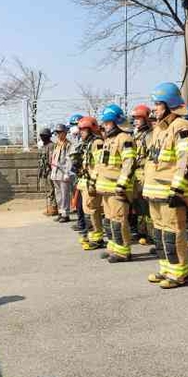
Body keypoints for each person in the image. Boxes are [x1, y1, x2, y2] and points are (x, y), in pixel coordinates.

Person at [142, 83, 188, 289]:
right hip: (155, 192)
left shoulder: (182, 127)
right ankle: (165, 269)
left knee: (173, 233)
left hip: (170, 192)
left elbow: (186, 160)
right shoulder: (158, 129)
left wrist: (177, 189)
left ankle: (178, 273)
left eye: (158, 104)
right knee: (159, 234)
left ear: (168, 104)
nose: (154, 108)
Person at [96, 104, 136, 262]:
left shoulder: (124, 139)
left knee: (119, 221)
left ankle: (123, 251)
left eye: (108, 122)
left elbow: (129, 163)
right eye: (105, 123)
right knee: (109, 220)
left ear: (117, 122)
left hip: (118, 189)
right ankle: (113, 247)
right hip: (106, 188)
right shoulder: (108, 140)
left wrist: (122, 185)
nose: (105, 126)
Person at [75, 116, 105, 250]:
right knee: (88, 210)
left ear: (91, 129)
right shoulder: (87, 143)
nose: (80, 132)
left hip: (91, 182)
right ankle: (92, 234)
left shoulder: (97, 143)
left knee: (92, 210)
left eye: (83, 130)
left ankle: (97, 238)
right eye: (80, 129)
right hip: (85, 182)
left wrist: (93, 181)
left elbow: (99, 164)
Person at [131, 104, 154, 244]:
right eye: (135, 118)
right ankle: (142, 232)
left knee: (147, 206)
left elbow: (152, 155)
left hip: (144, 172)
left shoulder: (149, 135)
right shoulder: (136, 134)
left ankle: (151, 234)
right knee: (138, 206)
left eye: (139, 118)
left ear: (146, 119)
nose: (136, 121)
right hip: (136, 173)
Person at [50, 123, 73, 223]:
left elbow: (69, 160)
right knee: (58, 194)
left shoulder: (68, 144)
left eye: (60, 132)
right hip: (55, 172)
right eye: (57, 132)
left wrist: (67, 172)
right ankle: (60, 211)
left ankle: (65, 214)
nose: (58, 134)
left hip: (63, 172)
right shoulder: (57, 144)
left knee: (65, 195)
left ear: (65, 133)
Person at [38, 128, 57, 216]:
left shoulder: (51, 146)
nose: (42, 138)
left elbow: (51, 160)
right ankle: (51, 206)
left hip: (50, 171)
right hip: (45, 170)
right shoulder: (43, 146)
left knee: (52, 190)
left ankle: (54, 207)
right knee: (49, 189)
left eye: (44, 136)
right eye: (41, 136)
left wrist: (49, 169)